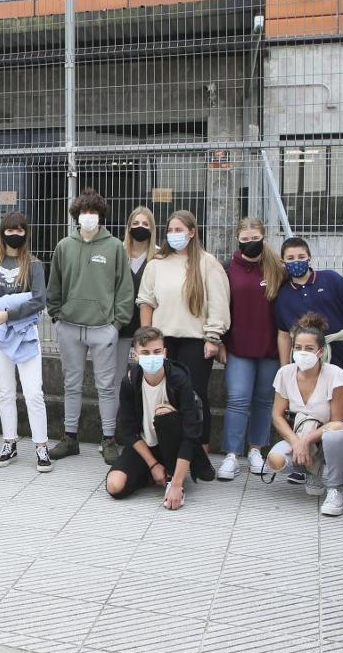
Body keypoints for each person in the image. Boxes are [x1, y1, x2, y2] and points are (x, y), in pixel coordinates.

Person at [47, 189, 135, 463]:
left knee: (106, 386)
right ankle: (70, 437)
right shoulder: (64, 246)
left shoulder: (115, 247)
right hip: (70, 326)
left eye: (93, 212)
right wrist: (56, 315)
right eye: (84, 212)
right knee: (71, 384)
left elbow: (124, 288)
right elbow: (55, 285)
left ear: (101, 216)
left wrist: (116, 323)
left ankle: (109, 439)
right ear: (76, 215)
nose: (88, 217)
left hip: (102, 328)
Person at [137, 210, 229, 461]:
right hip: (163, 341)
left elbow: (219, 302)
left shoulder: (208, 263)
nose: (174, 235)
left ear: (192, 232)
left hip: (196, 340)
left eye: (179, 230)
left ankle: (201, 452)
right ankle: (172, 450)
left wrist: (213, 337)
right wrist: (146, 337)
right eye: (170, 230)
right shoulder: (156, 264)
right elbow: (146, 301)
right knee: (166, 395)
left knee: (195, 395)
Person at [266, 313, 343, 517]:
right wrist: (296, 441)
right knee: (275, 459)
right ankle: (314, 472)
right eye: (298, 348)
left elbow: (337, 422)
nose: (303, 353)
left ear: (320, 351)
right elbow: (277, 415)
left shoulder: (336, 375)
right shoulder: (285, 373)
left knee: (335, 434)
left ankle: (335, 489)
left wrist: (305, 442)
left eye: (309, 348)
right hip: (304, 437)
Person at [0, 212, 51, 472]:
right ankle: (10, 442)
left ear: (26, 233)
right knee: (5, 390)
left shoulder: (34, 264)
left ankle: (41, 446)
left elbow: (39, 300)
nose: (15, 234)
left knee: (34, 392)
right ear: (2, 232)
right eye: (10, 229)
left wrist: (8, 312)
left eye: (20, 230)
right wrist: (16, 303)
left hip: (25, 331)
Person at [107, 326, 214, 510]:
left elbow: (190, 434)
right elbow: (129, 430)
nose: (152, 357)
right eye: (145, 353)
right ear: (136, 355)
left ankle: (173, 476)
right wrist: (153, 464)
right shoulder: (130, 381)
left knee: (165, 414)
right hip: (146, 447)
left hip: (173, 445)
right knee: (115, 486)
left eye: (157, 352)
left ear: (164, 353)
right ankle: (154, 473)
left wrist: (178, 485)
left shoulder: (179, 379)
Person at [217, 218, 285, 480]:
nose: (250, 243)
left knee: (264, 401)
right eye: (244, 239)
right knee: (237, 399)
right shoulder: (227, 269)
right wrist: (220, 341)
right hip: (237, 348)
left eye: (254, 238)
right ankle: (232, 455)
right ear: (237, 238)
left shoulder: (276, 267)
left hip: (269, 348)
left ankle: (256, 450)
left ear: (263, 237)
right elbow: (219, 308)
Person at [274, 237, 343, 381]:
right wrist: (285, 369)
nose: (296, 261)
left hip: (341, 357)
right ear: (283, 262)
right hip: (305, 364)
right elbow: (284, 334)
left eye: (301, 257)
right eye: (290, 258)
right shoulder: (283, 294)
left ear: (310, 257)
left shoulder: (331, 279)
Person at [117, 206, 158, 382]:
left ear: (152, 228)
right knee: (117, 378)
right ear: (128, 226)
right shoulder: (117, 251)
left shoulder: (158, 255)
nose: (140, 227)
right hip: (120, 327)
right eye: (135, 223)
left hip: (148, 328)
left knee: (146, 378)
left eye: (145, 223)